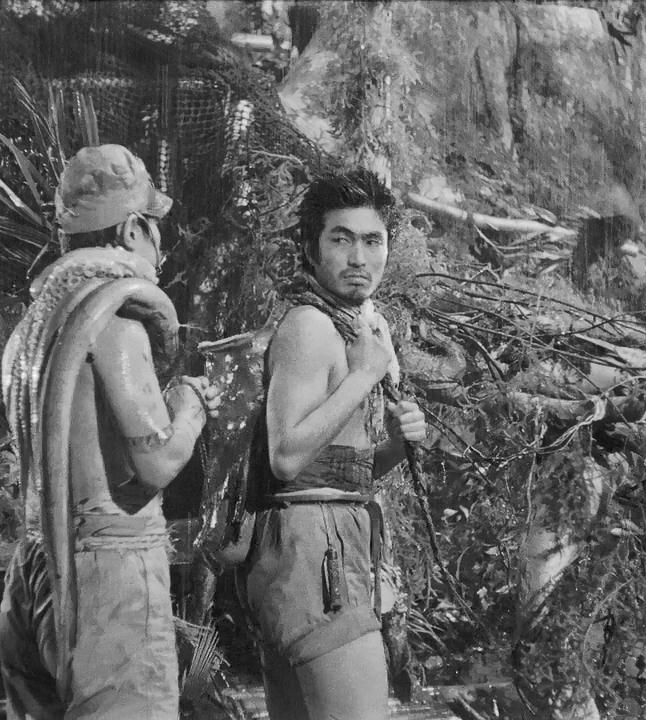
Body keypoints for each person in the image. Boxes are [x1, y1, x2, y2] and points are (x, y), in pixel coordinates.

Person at [0, 144, 221, 720]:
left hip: (34, 573)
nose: (161, 246)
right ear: (130, 229)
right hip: (109, 577)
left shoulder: (30, 331)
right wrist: (192, 404)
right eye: (154, 228)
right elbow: (155, 462)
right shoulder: (114, 322)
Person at [240, 169, 427, 720]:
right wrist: (364, 376)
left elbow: (335, 470)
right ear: (311, 248)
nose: (358, 257)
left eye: (373, 241)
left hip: (317, 543)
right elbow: (286, 457)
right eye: (341, 239)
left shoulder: (355, 326)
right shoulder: (310, 327)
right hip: (314, 556)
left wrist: (396, 445)